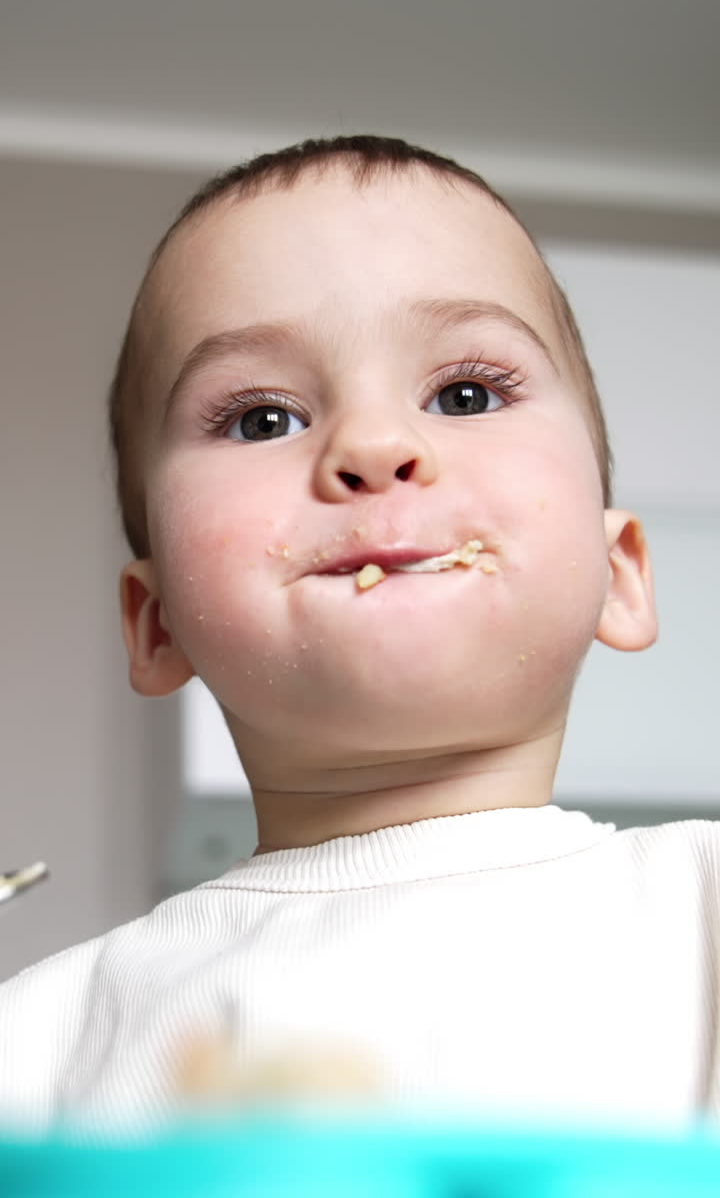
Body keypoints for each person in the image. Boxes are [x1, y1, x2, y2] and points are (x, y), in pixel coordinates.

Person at [0, 135, 715, 1135]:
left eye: (465, 394)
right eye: (262, 419)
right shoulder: (39, 1039)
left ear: (620, 573)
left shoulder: (703, 909)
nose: (375, 446)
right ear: (157, 624)